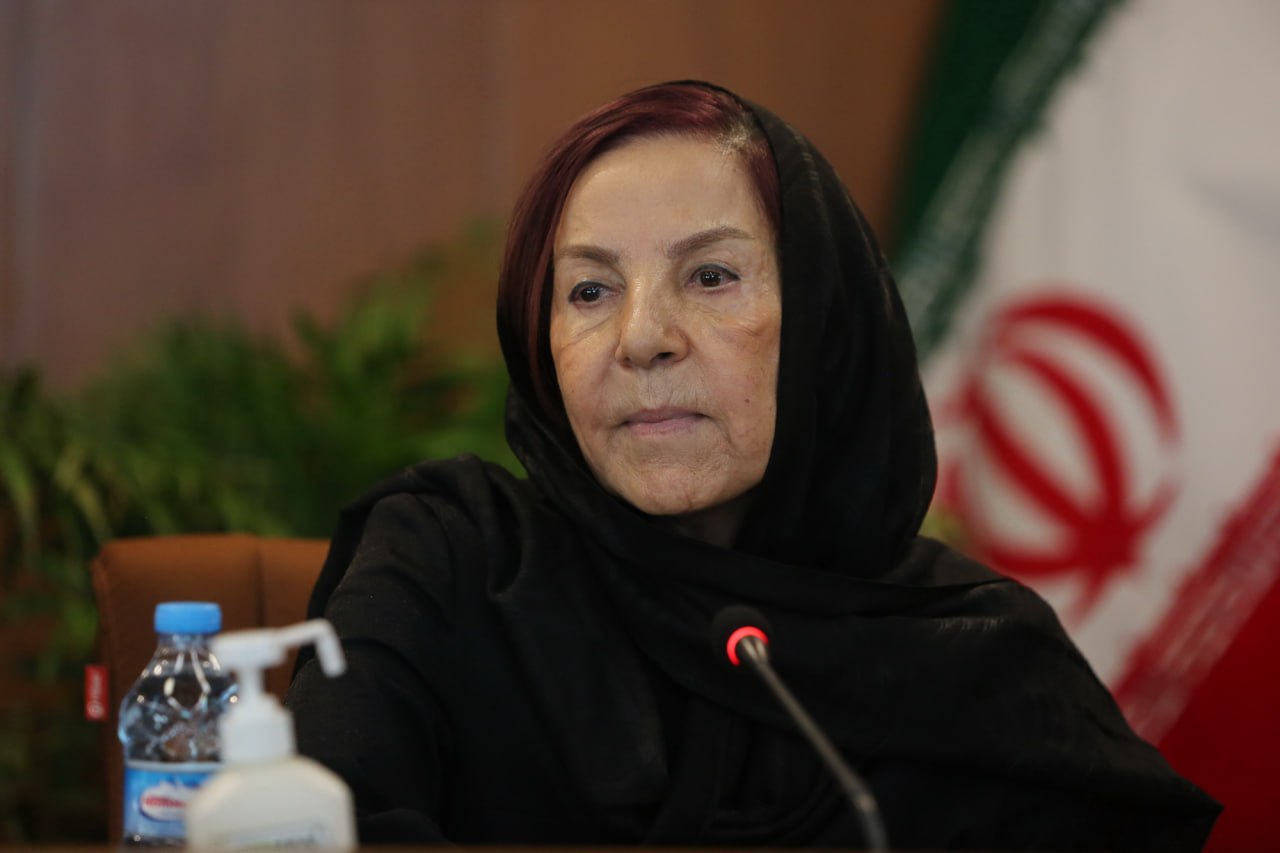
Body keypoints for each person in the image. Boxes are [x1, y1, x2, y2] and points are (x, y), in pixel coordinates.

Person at [287, 81, 1220, 849]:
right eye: (590, 290)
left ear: (823, 325)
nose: (642, 337)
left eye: (710, 276)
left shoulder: (980, 662)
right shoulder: (445, 562)